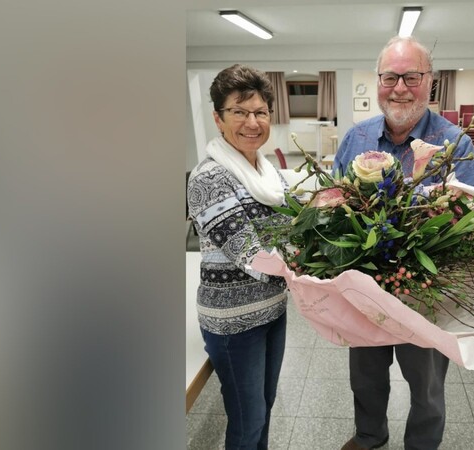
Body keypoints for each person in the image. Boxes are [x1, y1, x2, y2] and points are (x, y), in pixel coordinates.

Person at [332, 36, 474, 450]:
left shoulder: (457, 143)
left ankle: (421, 445)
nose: (399, 87)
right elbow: (333, 211)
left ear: (430, 82)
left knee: (427, 385)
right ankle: (370, 436)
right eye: (389, 76)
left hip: (425, 295)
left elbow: (472, 225)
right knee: (364, 376)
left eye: (411, 76)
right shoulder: (356, 139)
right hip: (365, 291)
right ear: (379, 81)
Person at [186, 64, 291, 450]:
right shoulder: (209, 178)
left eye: (261, 112)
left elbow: (292, 230)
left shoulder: (268, 172)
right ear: (218, 118)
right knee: (247, 422)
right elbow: (251, 253)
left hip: (273, 310)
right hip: (234, 323)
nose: (252, 122)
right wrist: (317, 270)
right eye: (239, 111)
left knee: (264, 406)